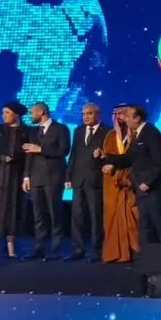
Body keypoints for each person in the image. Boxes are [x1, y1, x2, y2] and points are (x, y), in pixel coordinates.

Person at [101, 104, 161, 250]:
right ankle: (145, 257)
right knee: (143, 224)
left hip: (153, 189)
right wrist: (106, 156)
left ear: (137, 118)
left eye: (127, 116)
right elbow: (128, 158)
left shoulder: (151, 133)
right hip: (140, 188)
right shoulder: (137, 134)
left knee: (160, 224)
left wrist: (148, 182)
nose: (125, 119)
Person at [22, 102, 70, 260]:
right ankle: (39, 248)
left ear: (41, 112)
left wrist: (41, 149)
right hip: (36, 177)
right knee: (38, 215)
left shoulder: (61, 129)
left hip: (53, 177)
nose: (30, 116)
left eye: (32, 112)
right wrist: (26, 176)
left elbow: (64, 151)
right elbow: (29, 154)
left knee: (55, 214)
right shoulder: (34, 131)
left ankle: (56, 249)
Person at [0, 101, 27, 261]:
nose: (3, 116)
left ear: (16, 115)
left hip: (16, 176)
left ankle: (11, 249)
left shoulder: (27, 131)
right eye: (3, 112)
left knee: (13, 210)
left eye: (7, 113)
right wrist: (2, 157)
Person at [66, 102, 107, 262]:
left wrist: (103, 155)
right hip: (78, 180)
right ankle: (78, 249)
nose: (85, 117)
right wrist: (68, 177)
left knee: (95, 217)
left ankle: (96, 250)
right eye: (83, 114)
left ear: (97, 114)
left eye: (89, 113)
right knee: (77, 216)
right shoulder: (78, 131)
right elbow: (73, 155)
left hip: (95, 180)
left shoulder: (107, 131)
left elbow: (112, 154)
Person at [100, 105, 138, 263]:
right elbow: (105, 155)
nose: (118, 117)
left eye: (121, 113)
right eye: (115, 114)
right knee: (111, 217)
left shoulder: (136, 135)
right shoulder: (110, 135)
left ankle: (134, 251)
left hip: (130, 183)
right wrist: (105, 163)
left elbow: (136, 158)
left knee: (133, 217)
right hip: (112, 183)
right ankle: (115, 253)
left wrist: (117, 167)